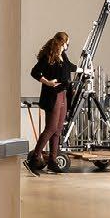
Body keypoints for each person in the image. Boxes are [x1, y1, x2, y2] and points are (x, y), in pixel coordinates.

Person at [29, 31, 74, 173]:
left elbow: (69, 67)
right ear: (63, 43)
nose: (68, 45)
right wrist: (47, 82)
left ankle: (52, 161)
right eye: (67, 43)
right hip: (53, 96)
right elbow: (35, 72)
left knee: (58, 129)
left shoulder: (63, 56)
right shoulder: (49, 57)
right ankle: (34, 158)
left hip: (64, 95)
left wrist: (84, 69)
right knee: (51, 128)